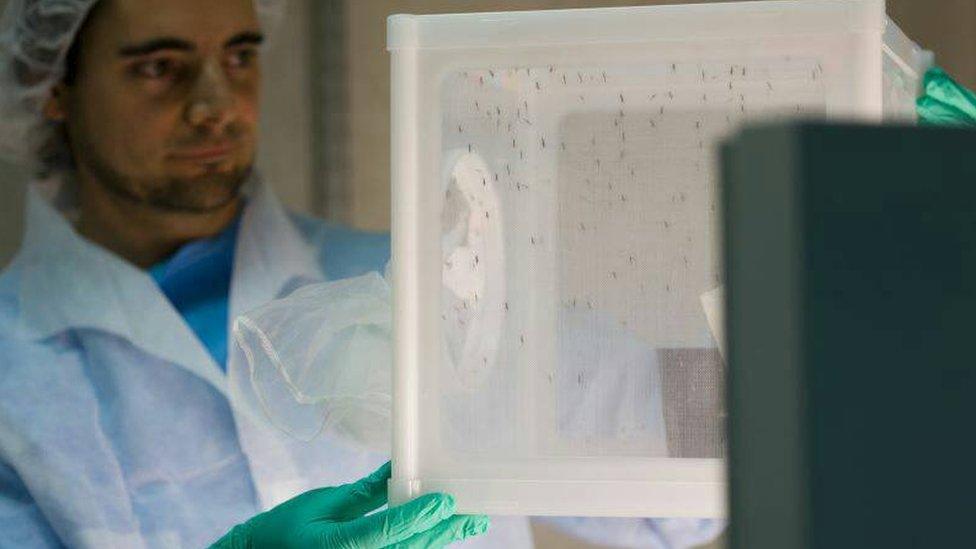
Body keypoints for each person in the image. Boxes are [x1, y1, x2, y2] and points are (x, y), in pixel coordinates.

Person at [0, 0, 972, 547]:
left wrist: (892, 291)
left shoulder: (401, 279)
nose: (219, 105)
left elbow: (661, 457)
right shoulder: (10, 378)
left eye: (240, 54)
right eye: (159, 67)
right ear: (52, 89)